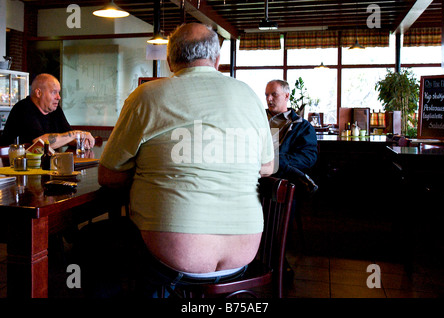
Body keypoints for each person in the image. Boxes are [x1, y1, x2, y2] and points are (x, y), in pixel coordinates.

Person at [88, 23, 274, 298]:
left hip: (170, 260)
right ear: (217, 60)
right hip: (243, 257)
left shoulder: (147, 96)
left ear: (170, 60)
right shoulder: (250, 96)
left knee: (93, 242)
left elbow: (108, 175)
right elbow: (268, 167)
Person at [0, 73, 95, 150]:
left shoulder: (55, 109)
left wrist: (81, 141)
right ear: (38, 93)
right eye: (54, 92)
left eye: (59, 92)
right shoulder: (24, 108)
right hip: (15, 167)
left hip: (44, 165)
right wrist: (78, 134)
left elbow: (68, 136)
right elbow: (41, 143)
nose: (58, 97)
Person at [265, 79, 318, 193]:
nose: (269, 99)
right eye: (267, 95)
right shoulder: (256, 119)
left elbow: (308, 158)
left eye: (274, 94)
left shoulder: (303, 126)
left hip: (282, 182)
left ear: (287, 96)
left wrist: (278, 161)